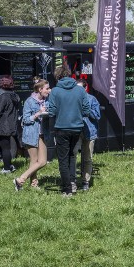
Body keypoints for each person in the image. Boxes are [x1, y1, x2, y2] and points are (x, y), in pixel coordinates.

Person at [46, 65, 90, 197]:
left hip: (61, 128)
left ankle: (67, 189)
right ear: (69, 75)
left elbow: (52, 112)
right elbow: (87, 111)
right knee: (72, 156)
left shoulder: (55, 91)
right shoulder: (80, 90)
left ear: (58, 76)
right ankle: (73, 184)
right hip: (77, 128)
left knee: (63, 159)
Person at [14, 79, 51, 191]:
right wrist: (38, 113)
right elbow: (25, 120)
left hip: (42, 134)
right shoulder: (29, 101)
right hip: (31, 134)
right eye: (47, 88)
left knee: (43, 161)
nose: (49, 90)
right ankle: (33, 184)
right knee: (34, 161)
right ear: (40, 90)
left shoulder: (47, 101)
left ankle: (21, 179)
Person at [0, 76, 20, 174]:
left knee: (4, 147)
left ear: (3, 85)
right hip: (11, 124)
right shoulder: (14, 96)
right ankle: (9, 165)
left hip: (3, 125)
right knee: (6, 146)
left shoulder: (4, 97)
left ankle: (7, 168)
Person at [76, 79, 101, 191]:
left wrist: (87, 109)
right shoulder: (74, 99)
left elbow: (97, 116)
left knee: (87, 158)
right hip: (76, 131)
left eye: (80, 88)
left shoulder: (92, 99)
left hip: (89, 131)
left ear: (85, 88)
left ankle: (86, 181)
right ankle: (72, 180)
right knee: (72, 155)